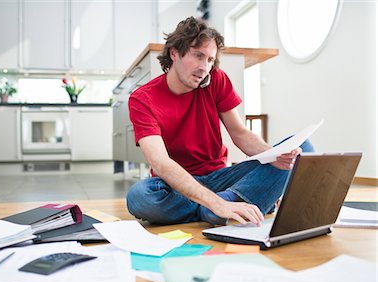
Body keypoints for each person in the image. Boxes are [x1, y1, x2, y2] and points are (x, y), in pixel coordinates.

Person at [126, 16, 314, 226]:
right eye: (198, 56)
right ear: (174, 53)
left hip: (220, 176)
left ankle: (228, 203)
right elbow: (160, 163)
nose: (204, 67)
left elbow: (240, 134)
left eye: (209, 60)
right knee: (140, 196)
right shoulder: (143, 99)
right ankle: (230, 203)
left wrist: (274, 157)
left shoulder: (216, 79)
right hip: (176, 185)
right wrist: (216, 202)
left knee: (302, 148)